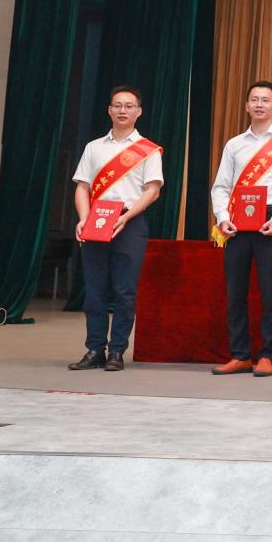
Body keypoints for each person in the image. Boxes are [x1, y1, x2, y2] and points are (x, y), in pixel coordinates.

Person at [208, 80, 272, 378]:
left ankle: (267, 355)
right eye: (254, 100)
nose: (259, 104)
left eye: (265, 100)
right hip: (236, 222)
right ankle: (240, 355)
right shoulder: (234, 144)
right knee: (235, 292)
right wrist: (223, 217)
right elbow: (221, 186)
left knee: (270, 292)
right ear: (247, 105)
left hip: (270, 220)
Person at [67, 85, 162, 372]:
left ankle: (117, 350)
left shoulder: (148, 150)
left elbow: (152, 190)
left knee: (124, 290)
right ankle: (95, 348)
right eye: (117, 105)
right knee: (94, 289)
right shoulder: (94, 147)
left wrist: (127, 216)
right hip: (96, 221)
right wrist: (83, 219)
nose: (123, 110)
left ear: (139, 111)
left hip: (129, 222)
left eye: (129, 106)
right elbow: (82, 187)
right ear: (109, 110)